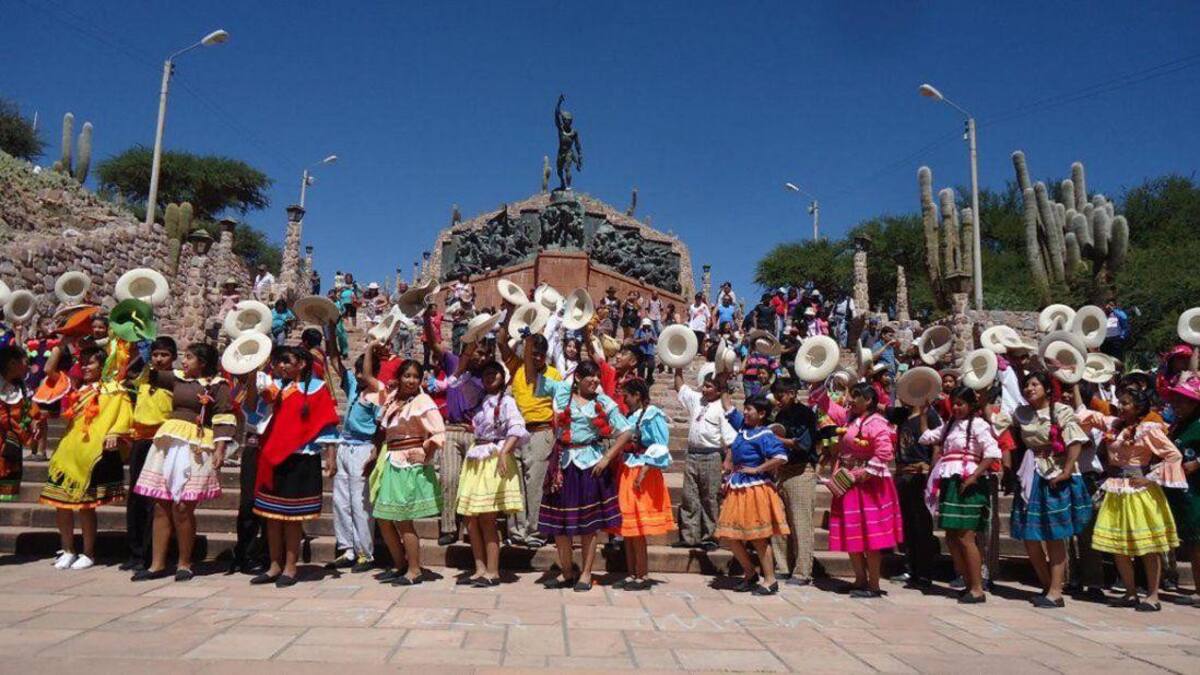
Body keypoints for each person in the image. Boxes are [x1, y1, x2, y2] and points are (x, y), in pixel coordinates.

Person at [131, 343, 234, 582]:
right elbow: (143, 373)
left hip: (196, 444)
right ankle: (156, 564)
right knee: (161, 505)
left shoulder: (219, 386)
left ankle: (185, 563)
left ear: (203, 362)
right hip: (169, 440)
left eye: (189, 358)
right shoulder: (176, 379)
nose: (184, 362)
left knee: (183, 507)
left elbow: (223, 416)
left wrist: (220, 448)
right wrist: (138, 346)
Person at [529, 355, 632, 591]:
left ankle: (586, 573)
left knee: (589, 525)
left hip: (590, 466)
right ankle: (566, 571)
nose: (596, 380)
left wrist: (607, 458)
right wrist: (529, 346)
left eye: (597, 376)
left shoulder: (603, 402)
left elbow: (626, 431)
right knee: (560, 526)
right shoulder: (563, 396)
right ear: (577, 378)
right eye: (590, 376)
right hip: (563, 465)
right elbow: (532, 375)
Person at [1077, 387, 1185, 612]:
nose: (1121, 406)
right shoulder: (1113, 425)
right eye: (1120, 402)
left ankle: (1153, 595)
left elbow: (1174, 454)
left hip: (1139, 492)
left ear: (1138, 407)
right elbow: (1084, 414)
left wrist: (1150, 478)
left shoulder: (1148, 429)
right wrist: (1072, 380)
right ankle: (1130, 591)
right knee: (1118, 546)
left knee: (1147, 546)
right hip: (1116, 489)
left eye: (1126, 403)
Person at [251, 347, 340, 587]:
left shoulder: (317, 388)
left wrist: (330, 457)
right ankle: (274, 565)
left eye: (286, 362)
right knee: (272, 518)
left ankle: (290, 567)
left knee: (292, 518)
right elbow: (257, 405)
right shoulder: (275, 388)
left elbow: (327, 424)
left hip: (302, 458)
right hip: (273, 456)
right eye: (279, 363)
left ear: (301, 364)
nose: (281, 367)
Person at [1007, 371, 1094, 608]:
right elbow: (997, 423)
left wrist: (1066, 471)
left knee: (1054, 534)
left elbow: (1075, 441)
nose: (1029, 388)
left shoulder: (1061, 411)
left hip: (1054, 473)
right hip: (1031, 473)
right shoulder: (1021, 413)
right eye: (1026, 385)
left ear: (1047, 388)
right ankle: (1047, 584)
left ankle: (1056, 591)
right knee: (1029, 535)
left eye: (1034, 384)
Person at [40, 344, 130, 570]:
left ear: (102, 365)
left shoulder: (113, 389)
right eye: (83, 362)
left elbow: (123, 414)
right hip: (68, 451)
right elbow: (49, 369)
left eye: (91, 362)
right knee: (60, 503)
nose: (85, 366)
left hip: (90, 452)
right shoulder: (74, 387)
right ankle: (68, 549)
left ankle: (88, 552)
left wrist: (115, 432)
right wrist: (63, 342)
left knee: (86, 506)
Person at [919, 387, 1000, 603]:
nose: (956, 407)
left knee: (965, 537)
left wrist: (974, 476)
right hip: (950, 482)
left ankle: (977, 588)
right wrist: (924, 414)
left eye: (961, 403)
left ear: (971, 405)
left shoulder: (980, 425)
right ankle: (966, 581)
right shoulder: (949, 426)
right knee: (952, 536)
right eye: (954, 403)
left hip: (967, 482)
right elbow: (926, 437)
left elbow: (992, 452)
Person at [369, 359, 444, 585]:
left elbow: (438, 432)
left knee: (402, 519)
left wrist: (425, 451)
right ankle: (400, 563)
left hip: (408, 464)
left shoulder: (423, 401)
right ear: (399, 377)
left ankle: (414, 569)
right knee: (383, 517)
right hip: (390, 459)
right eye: (407, 376)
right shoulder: (393, 399)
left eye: (415, 376)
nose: (411, 380)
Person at [827, 382, 904, 597]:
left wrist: (862, 474)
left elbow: (884, 453)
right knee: (852, 531)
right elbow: (829, 407)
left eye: (855, 396)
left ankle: (874, 585)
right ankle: (860, 579)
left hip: (871, 486)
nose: (850, 400)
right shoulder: (851, 418)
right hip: (850, 483)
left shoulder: (877, 423)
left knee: (871, 536)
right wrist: (817, 380)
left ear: (868, 400)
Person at [455, 361, 527, 587]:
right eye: (485, 373)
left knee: (487, 516)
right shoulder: (479, 400)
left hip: (494, 457)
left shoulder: (507, 402)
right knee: (470, 517)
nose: (489, 377)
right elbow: (461, 382)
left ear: (502, 377)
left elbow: (517, 429)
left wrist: (505, 452)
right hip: (477, 455)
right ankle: (480, 568)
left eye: (493, 373)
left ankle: (493, 571)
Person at [718, 396, 790, 595]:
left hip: (755, 489)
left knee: (758, 537)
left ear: (762, 414)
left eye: (749, 409)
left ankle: (770, 580)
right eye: (745, 408)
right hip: (737, 486)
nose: (746, 412)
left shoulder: (765, 435)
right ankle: (750, 573)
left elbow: (780, 457)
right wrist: (724, 381)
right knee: (731, 535)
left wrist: (758, 468)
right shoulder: (743, 427)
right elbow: (727, 405)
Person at [325, 344, 385, 573]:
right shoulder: (352, 387)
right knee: (341, 501)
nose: (359, 375)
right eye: (357, 371)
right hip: (345, 445)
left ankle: (365, 553)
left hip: (363, 447)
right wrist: (329, 324)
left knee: (361, 503)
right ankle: (347, 548)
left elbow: (381, 427)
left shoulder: (378, 394)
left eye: (364, 371)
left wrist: (375, 451)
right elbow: (335, 360)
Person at [611, 378, 674, 590]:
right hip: (628, 469)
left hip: (642, 473)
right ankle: (631, 573)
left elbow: (660, 444)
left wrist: (645, 470)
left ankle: (643, 574)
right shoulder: (630, 416)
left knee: (637, 529)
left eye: (627, 396)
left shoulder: (652, 414)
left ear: (637, 396)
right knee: (628, 528)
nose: (625, 400)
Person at [123, 337, 180, 572]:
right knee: (136, 497)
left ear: (173, 357)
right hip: (140, 440)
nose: (159, 359)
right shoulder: (142, 378)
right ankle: (135, 552)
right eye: (155, 354)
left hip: (162, 440)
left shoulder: (177, 381)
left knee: (156, 498)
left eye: (164, 355)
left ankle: (153, 553)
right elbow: (126, 373)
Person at [499, 332, 559, 549]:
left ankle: (535, 532)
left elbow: (558, 408)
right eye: (533, 353)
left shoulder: (554, 375)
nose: (536, 358)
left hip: (541, 431)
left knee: (535, 484)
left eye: (541, 355)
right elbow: (500, 341)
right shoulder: (518, 369)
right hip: (516, 433)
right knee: (514, 483)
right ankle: (516, 532)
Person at [431, 337, 488, 546]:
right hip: (452, 429)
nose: (481, 357)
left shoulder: (488, 374)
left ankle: (471, 528)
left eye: (484, 354)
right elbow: (432, 341)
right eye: (477, 352)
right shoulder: (454, 363)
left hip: (475, 433)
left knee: (473, 484)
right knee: (449, 477)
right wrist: (427, 316)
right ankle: (448, 527)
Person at [672, 366, 735, 550]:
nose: (705, 389)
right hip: (692, 454)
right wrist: (678, 366)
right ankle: (689, 536)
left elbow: (730, 440)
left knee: (710, 497)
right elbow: (681, 388)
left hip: (712, 456)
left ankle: (710, 536)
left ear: (718, 389)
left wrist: (727, 461)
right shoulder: (697, 400)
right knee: (689, 496)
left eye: (709, 387)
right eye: (704, 386)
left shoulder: (723, 408)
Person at [767, 379, 821, 585]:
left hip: (801, 471)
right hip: (783, 471)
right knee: (780, 522)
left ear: (791, 393)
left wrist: (774, 439)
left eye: (780, 396)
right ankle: (782, 565)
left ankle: (802, 571)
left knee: (800, 523)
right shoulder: (780, 415)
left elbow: (803, 444)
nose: (777, 400)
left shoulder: (806, 414)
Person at [888, 398, 942, 587]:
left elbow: (936, 446)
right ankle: (910, 568)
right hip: (903, 475)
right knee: (907, 524)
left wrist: (931, 472)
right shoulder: (902, 414)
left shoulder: (931, 415)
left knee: (922, 525)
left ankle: (925, 572)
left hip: (921, 475)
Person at [1164, 372, 1200, 605]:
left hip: (1197, 494)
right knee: (1192, 542)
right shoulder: (1178, 425)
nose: (1176, 405)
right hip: (1182, 493)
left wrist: (1198, 463)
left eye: (1182, 400)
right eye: (1175, 400)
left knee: (1198, 542)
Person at [0, 345, 41, 503]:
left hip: (10, 447)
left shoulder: (22, 388)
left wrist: (33, 422)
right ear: (12, 363)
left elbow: (29, 413)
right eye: (26, 361)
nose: (28, 366)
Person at [633, 319, 657, 385]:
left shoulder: (652, 331)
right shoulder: (639, 331)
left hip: (650, 352)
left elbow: (656, 341)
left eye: (648, 326)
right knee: (641, 367)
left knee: (651, 365)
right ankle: (641, 381)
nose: (646, 327)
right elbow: (634, 340)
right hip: (641, 351)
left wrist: (652, 338)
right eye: (645, 326)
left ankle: (649, 377)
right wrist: (642, 340)